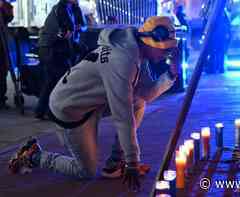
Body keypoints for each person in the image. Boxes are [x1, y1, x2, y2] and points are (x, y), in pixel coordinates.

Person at [9, 16, 179, 191]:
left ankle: (114, 164)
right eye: (165, 49)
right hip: (70, 109)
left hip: (92, 103)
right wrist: (132, 162)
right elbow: (123, 116)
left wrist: (170, 75)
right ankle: (33, 155)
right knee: (85, 171)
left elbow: (144, 95)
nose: (167, 54)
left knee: (138, 103)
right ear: (149, 42)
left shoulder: (135, 48)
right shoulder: (123, 61)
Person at [35, 0, 86, 119]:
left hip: (57, 49)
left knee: (52, 81)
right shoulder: (61, 8)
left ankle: (41, 111)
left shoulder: (72, 8)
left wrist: (78, 21)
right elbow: (68, 29)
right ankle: (49, 111)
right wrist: (71, 30)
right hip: (51, 48)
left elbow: (82, 26)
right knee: (59, 80)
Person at [0, 0, 13, 109]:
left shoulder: (5, 6)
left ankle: (1, 99)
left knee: (2, 71)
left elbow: (9, 17)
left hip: (2, 44)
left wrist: (3, 6)